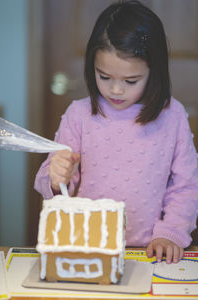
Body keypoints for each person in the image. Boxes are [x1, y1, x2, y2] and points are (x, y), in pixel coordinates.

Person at [34, 0, 198, 264]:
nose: (116, 90)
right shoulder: (79, 114)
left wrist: (171, 234)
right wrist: (56, 177)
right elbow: (57, 183)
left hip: (150, 251)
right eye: (104, 77)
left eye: (131, 81)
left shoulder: (173, 116)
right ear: (92, 67)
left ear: (153, 72)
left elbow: (187, 186)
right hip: (88, 249)